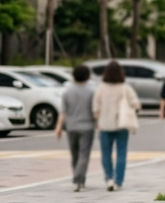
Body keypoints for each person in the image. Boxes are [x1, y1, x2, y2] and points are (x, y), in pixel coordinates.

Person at [92, 60, 141, 192]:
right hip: (121, 125)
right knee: (121, 153)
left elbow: (95, 108)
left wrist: (97, 121)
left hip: (104, 125)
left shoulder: (101, 88)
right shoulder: (125, 88)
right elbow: (136, 104)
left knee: (106, 154)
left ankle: (109, 179)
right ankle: (118, 181)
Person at [55, 65, 96, 192]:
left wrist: (58, 127)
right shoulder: (92, 90)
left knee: (75, 155)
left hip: (71, 127)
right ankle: (79, 179)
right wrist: (98, 123)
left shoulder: (68, 90)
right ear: (87, 76)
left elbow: (63, 111)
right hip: (87, 126)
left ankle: (78, 180)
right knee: (84, 155)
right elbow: (95, 110)